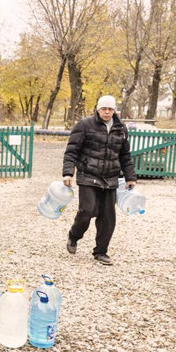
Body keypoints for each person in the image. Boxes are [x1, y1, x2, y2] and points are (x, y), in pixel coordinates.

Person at [62, 95, 136, 265]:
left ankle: (101, 252)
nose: (107, 112)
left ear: (114, 111)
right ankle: (74, 236)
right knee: (87, 211)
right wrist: (68, 173)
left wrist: (130, 177)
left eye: (110, 109)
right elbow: (72, 151)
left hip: (110, 178)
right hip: (88, 175)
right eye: (104, 109)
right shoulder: (85, 125)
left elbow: (125, 155)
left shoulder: (121, 128)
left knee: (108, 217)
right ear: (98, 109)